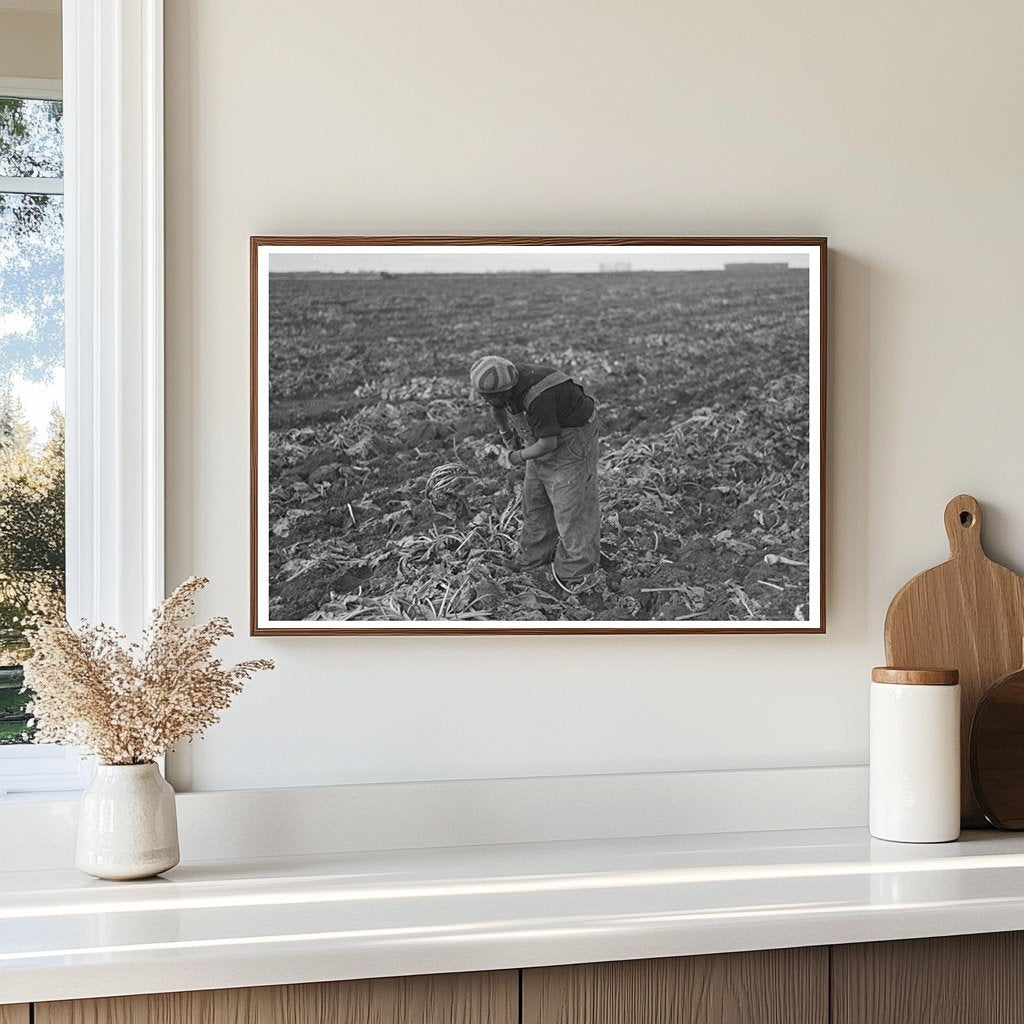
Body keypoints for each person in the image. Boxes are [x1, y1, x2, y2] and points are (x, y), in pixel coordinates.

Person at [470, 355, 600, 592]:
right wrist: (507, 437)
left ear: (506, 392)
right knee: (535, 501)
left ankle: (576, 572)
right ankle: (535, 558)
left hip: (571, 438)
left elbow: (548, 444)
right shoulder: (502, 382)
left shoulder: (539, 396)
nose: (488, 401)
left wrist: (514, 457)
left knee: (570, 508)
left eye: (491, 398)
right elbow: (497, 411)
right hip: (540, 436)